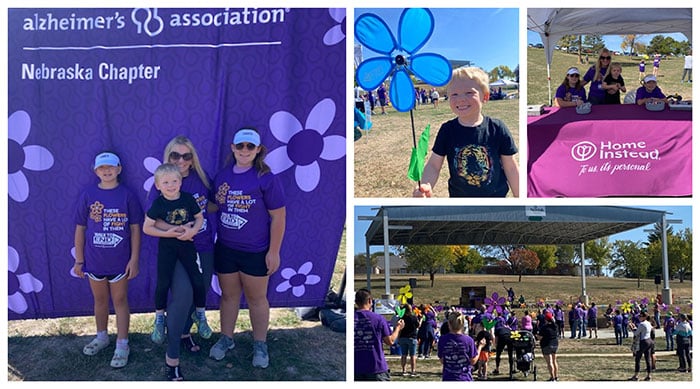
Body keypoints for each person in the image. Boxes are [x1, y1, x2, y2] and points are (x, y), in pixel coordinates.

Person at [208, 127, 286, 369]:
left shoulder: (266, 178)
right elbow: (212, 207)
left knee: (256, 298)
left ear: (258, 150)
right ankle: (226, 338)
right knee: (229, 296)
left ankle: (260, 344)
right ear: (232, 147)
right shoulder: (222, 176)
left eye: (250, 146)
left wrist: (273, 251)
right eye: (240, 145)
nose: (244, 150)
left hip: (255, 251)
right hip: (226, 249)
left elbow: (279, 217)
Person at [147, 135, 217, 355]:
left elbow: (212, 206)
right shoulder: (162, 181)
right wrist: (177, 230)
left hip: (203, 246)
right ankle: (172, 355)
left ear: (192, 157)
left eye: (186, 155)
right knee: (183, 295)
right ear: (168, 156)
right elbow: (152, 219)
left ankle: (185, 332)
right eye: (175, 155)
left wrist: (195, 226)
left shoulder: (202, 178)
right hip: (176, 249)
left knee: (200, 290)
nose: (181, 160)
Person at [74, 151, 142, 369]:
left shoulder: (127, 195)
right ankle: (102, 336)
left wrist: (134, 259)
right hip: (94, 261)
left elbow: (135, 229)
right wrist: (79, 260)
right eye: (102, 168)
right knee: (100, 300)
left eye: (110, 167)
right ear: (95, 171)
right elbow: (80, 229)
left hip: (120, 262)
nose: (106, 171)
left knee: (120, 300)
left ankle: (122, 344)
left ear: (119, 169)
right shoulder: (88, 195)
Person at [143, 163, 210, 380]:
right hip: (168, 251)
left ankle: (200, 315)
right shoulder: (158, 203)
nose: (171, 185)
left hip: (189, 248)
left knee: (198, 282)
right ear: (158, 185)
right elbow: (147, 227)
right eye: (166, 182)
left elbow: (199, 217)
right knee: (163, 284)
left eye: (174, 181)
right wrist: (170, 233)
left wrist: (192, 229)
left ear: (180, 181)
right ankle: (159, 318)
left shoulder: (188, 198)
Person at [413, 67, 519, 198]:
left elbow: (511, 168)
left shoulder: (497, 128)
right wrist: (426, 185)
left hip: (496, 199)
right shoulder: (447, 130)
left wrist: (520, 197)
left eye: (469, 93)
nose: (461, 99)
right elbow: (434, 165)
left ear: (485, 97)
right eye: (454, 94)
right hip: (460, 201)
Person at [354, 288, 405, 381]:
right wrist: (398, 328)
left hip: (355, 368)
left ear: (356, 302)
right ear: (370, 301)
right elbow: (390, 341)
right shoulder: (378, 319)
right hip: (376, 367)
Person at [437, 311, 485, 381]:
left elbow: (442, 360)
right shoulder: (469, 340)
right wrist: (480, 347)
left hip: (448, 377)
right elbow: (473, 361)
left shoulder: (442, 339)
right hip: (464, 377)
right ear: (462, 324)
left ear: (449, 324)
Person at [628, 311, 653, 381]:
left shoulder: (642, 324)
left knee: (637, 358)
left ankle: (636, 376)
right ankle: (649, 375)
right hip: (649, 340)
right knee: (648, 359)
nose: (639, 317)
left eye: (641, 316)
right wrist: (635, 327)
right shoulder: (648, 323)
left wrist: (632, 328)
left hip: (643, 341)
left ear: (644, 317)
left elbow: (636, 333)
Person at [397, 304, 421, 377]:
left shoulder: (401, 318)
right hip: (412, 337)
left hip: (403, 337)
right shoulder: (413, 318)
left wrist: (398, 337)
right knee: (412, 355)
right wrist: (421, 319)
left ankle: (404, 370)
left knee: (403, 355)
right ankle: (413, 371)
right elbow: (418, 325)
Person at [537, 311, 559, 381]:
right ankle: (556, 376)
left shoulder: (544, 327)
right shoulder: (555, 326)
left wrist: (537, 336)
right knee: (554, 361)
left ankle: (552, 377)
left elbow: (540, 337)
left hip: (546, 344)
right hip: (555, 344)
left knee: (549, 362)